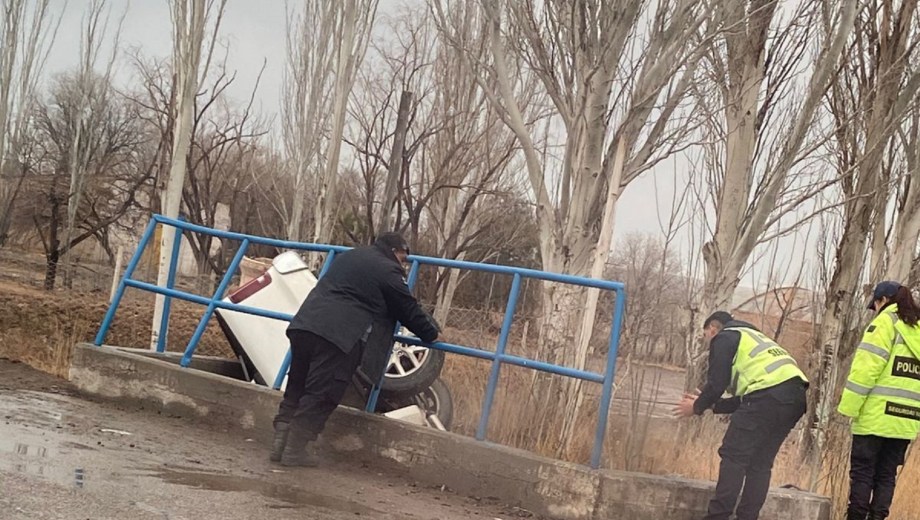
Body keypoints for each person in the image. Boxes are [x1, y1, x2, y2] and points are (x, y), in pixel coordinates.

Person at [271, 232, 440, 467]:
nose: (404, 264)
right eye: (404, 258)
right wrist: (432, 334)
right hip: (336, 335)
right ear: (394, 252)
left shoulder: (349, 257)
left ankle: (280, 441)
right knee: (321, 393)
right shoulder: (388, 270)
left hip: (304, 324)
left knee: (297, 385)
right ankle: (294, 449)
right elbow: (407, 309)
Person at [673, 311, 808, 520]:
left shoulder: (725, 337)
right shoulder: (755, 338)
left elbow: (717, 384)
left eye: (705, 336)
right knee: (760, 464)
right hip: (794, 398)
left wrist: (697, 407)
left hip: (766, 398)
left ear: (713, 329)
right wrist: (711, 405)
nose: (707, 342)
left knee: (734, 457)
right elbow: (749, 398)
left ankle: (717, 516)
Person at [839, 281, 920, 520]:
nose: (874, 311)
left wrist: (849, 408)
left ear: (883, 301)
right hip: (906, 421)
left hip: (875, 417)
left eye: (874, 306)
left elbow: (865, 370)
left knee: (863, 473)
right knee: (886, 475)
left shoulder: (884, 324)